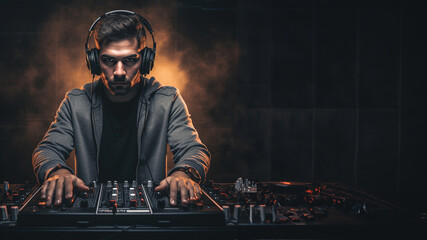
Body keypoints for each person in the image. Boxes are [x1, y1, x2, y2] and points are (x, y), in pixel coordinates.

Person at [32, 10, 210, 207]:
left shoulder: (168, 100)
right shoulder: (75, 102)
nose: (119, 72)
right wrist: (57, 172)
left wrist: (183, 173)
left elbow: (193, 149)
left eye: (130, 60)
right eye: (108, 60)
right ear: (93, 60)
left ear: (146, 60)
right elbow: (47, 149)